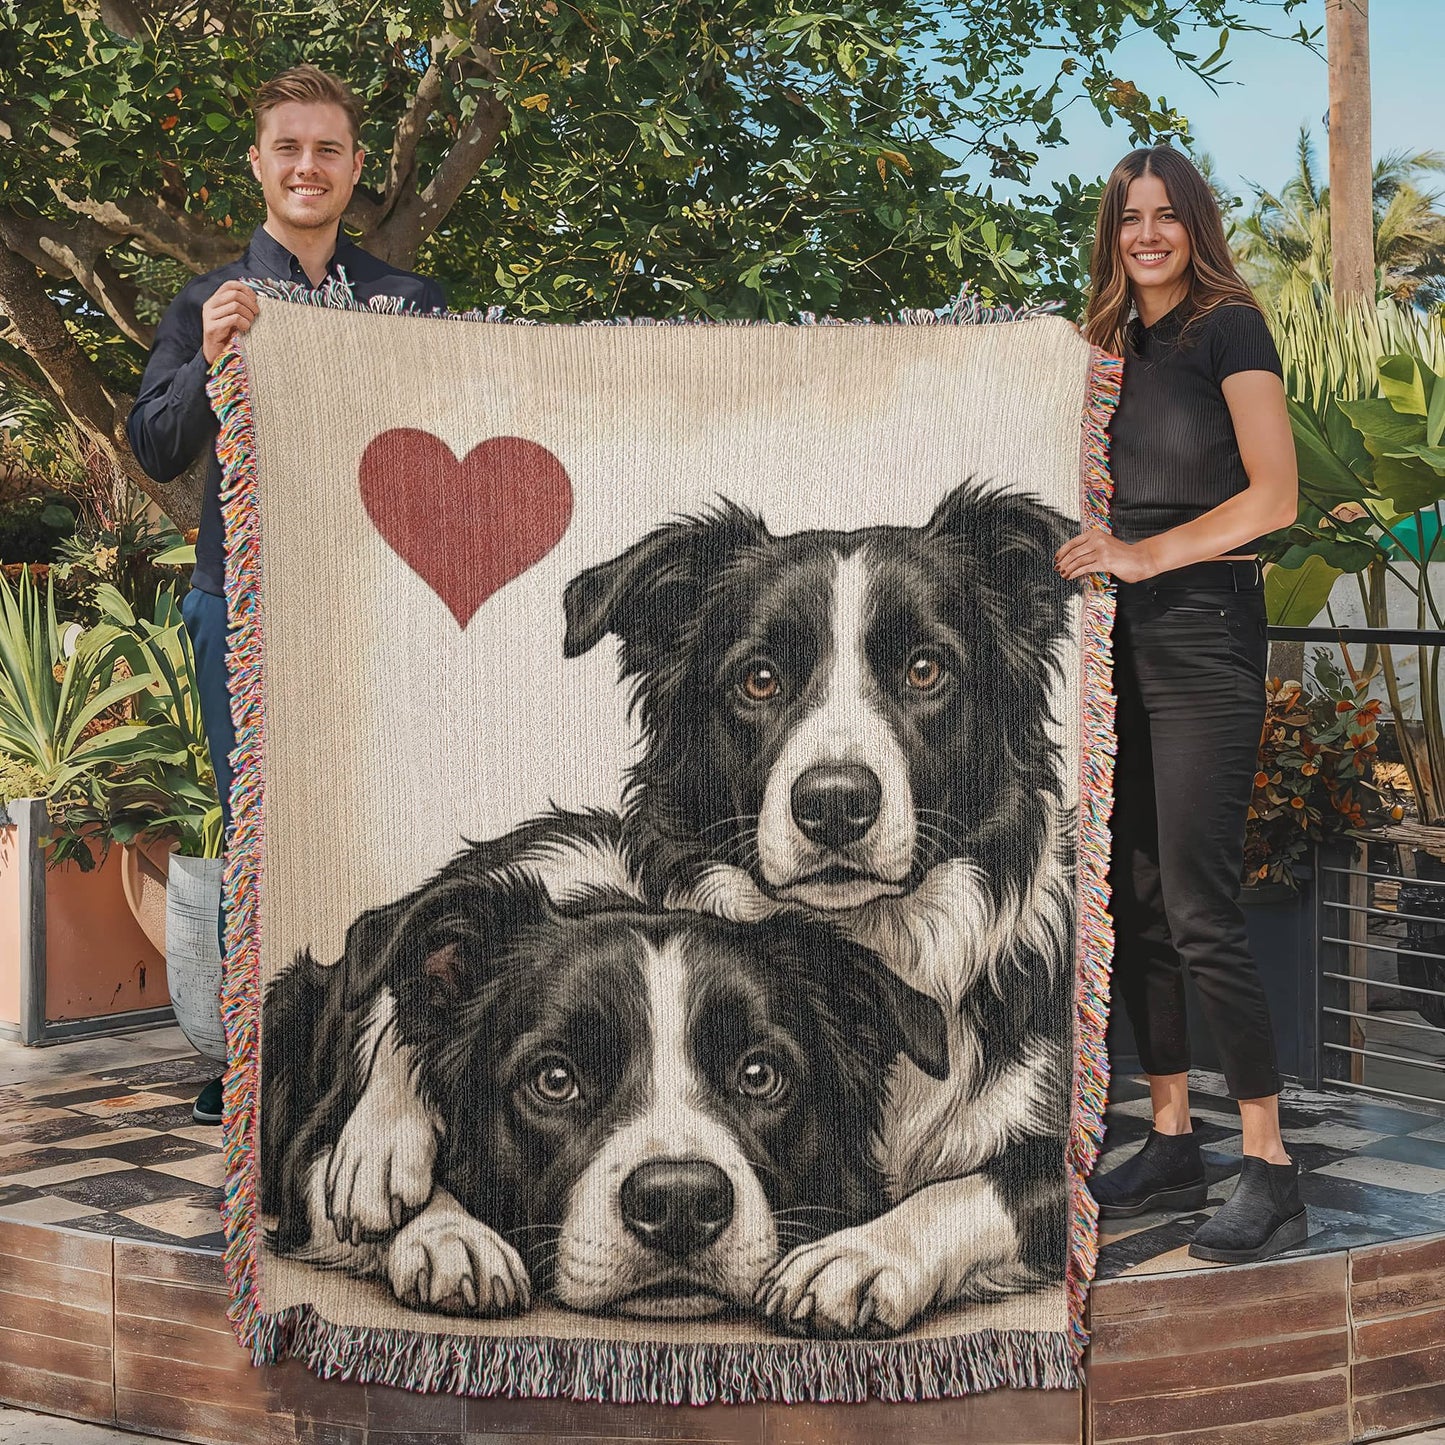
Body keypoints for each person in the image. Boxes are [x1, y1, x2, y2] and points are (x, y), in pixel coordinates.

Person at [127, 65, 445, 1125]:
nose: (308, 167)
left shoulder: (407, 306)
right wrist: (210, 358)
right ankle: (255, 1056)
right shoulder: (208, 302)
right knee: (257, 829)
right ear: (259, 165)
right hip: (243, 605)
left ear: (355, 169)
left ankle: (370, 1054)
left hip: (370, 608)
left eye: (327, 150)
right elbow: (155, 445)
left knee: (374, 821)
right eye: (289, 148)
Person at [1055, 146, 1303, 1263]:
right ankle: (1168, 1135)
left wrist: (1145, 554)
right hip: (1116, 636)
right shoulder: (1109, 347)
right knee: (1137, 897)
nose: (1146, 234)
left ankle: (1269, 1166)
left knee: (1200, 904)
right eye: (1127, 218)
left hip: (1203, 629)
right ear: (1110, 235)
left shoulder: (1227, 327)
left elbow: (1275, 495)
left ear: (1194, 223)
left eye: (1164, 215)